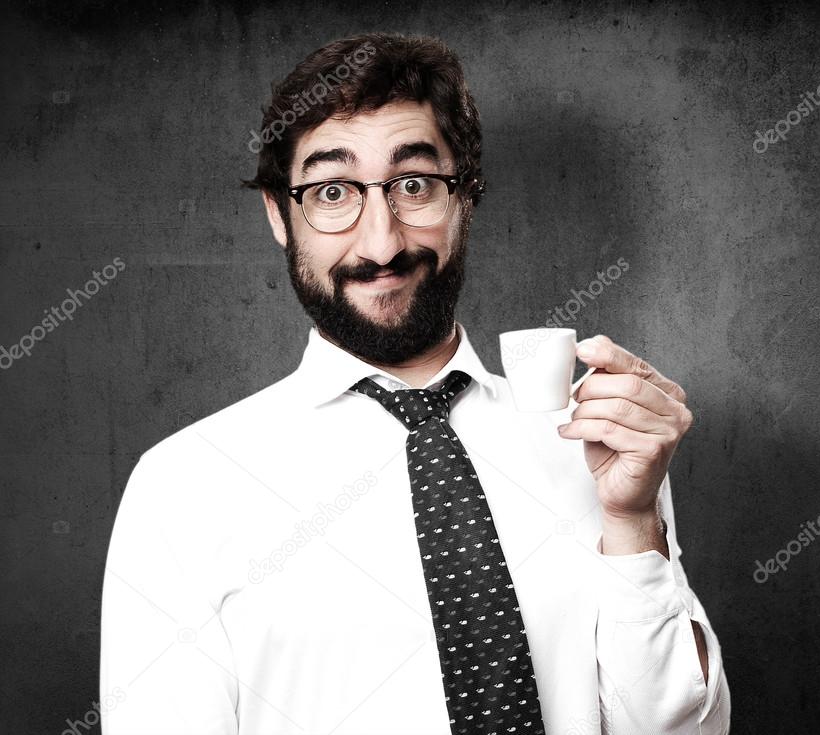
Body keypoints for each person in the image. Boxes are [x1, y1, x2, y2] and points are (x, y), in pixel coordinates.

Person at [99, 32, 730, 735]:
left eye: (413, 185)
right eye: (333, 191)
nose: (381, 243)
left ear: (466, 197)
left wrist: (634, 521)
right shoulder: (183, 486)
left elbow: (682, 730)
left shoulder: (597, 443)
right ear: (280, 215)